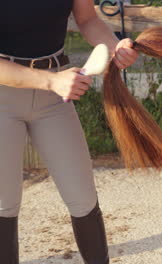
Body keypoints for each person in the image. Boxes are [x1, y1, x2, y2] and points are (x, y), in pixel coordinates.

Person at [0, 0, 138, 263]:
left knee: (83, 198)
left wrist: (114, 47)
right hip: (4, 98)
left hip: (54, 97)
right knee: (4, 206)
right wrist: (51, 81)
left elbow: (87, 19)